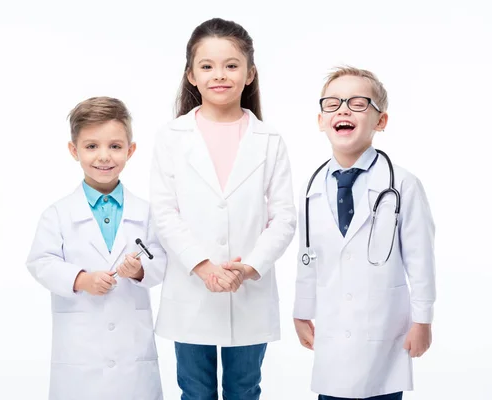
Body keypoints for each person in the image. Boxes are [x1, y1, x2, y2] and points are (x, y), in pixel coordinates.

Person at [149, 17, 296, 400]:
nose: (220, 75)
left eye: (232, 65)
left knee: (244, 388)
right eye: (207, 66)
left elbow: (284, 217)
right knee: (195, 391)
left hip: (248, 287)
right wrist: (203, 266)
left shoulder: (270, 140)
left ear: (250, 74)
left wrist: (247, 268)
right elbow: (164, 212)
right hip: (191, 284)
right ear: (191, 76)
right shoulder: (171, 138)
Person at [293, 66, 437, 399]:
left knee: (380, 392)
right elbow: (307, 257)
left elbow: (421, 259)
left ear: (381, 121)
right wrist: (302, 311)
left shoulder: (403, 185)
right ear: (320, 120)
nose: (343, 109)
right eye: (332, 103)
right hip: (332, 332)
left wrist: (423, 320)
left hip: (384, 331)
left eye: (358, 103)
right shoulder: (310, 189)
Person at [26, 96, 166, 400]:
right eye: (91, 146)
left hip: (132, 354)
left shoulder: (147, 212)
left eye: (115, 146)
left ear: (131, 150)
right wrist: (81, 279)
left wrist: (140, 270)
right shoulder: (58, 213)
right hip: (80, 355)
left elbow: (163, 263)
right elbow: (40, 262)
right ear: (73, 150)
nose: (104, 156)